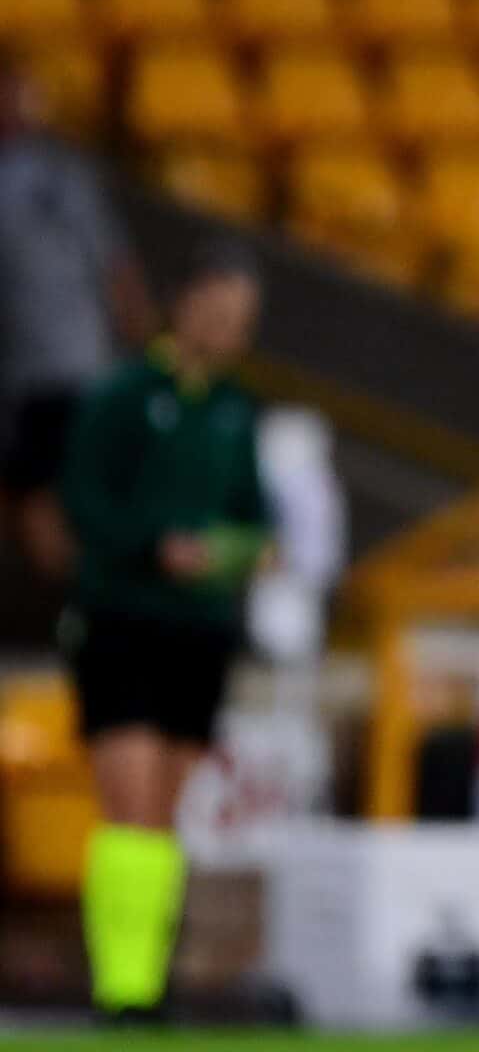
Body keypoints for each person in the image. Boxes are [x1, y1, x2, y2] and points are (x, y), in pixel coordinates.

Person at [59, 242, 268, 1019]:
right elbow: (82, 501)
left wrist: (250, 548)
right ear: (182, 304)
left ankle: (150, 975)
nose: (227, 332)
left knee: (167, 813)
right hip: (123, 621)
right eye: (217, 313)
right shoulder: (120, 396)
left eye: (240, 321)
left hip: (199, 629)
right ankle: (123, 985)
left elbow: (254, 511)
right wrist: (154, 547)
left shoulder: (235, 410)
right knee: (132, 805)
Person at [0, 49, 151, 583]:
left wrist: (142, 346)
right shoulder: (64, 173)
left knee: (45, 498)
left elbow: (117, 269)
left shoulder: (63, 174)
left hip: (57, 374)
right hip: (51, 371)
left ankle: (82, 598)